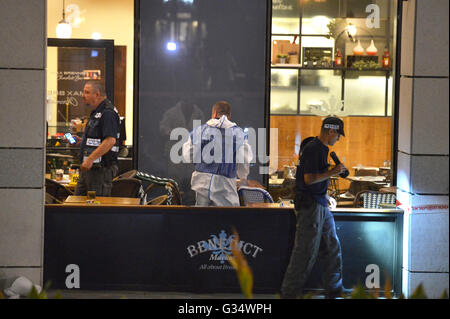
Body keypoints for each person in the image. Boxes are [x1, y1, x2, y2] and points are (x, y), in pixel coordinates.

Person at [281, 116, 349, 299]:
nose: (338, 139)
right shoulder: (314, 149)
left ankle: (334, 291)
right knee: (305, 253)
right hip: (310, 207)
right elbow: (308, 179)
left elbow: (312, 180)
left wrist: (324, 195)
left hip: (318, 203)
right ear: (331, 131)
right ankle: (289, 294)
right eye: (338, 135)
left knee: (331, 247)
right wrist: (332, 172)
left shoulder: (319, 149)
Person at [182, 101, 252, 206]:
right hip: (225, 184)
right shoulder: (238, 134)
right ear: (229, 115)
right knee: (226, 219)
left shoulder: (198, 131)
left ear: (214, 113)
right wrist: (242, 177)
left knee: (202, 219)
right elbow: (244, 160)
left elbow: (187, 156)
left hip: (201, 182)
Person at [74, 81, 120, 196]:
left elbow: (110, 141)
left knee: (96, 206)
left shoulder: (108, 113)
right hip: (89, 169)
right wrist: (81, 142)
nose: (83, 95)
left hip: (100, 170)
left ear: (97, 94)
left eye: (87, 92)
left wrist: (90, 159)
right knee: (76, 205)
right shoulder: (96, 112)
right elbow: (97, 139)